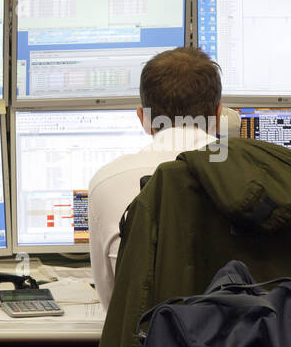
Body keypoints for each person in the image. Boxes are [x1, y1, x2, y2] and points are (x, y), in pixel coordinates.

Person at [88, 47, 225, 309]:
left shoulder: (106, 182)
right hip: (245, 346)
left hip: (146, 345)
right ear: (218, 116)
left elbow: (113, 306)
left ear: (143, 118)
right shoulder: (258, 173)